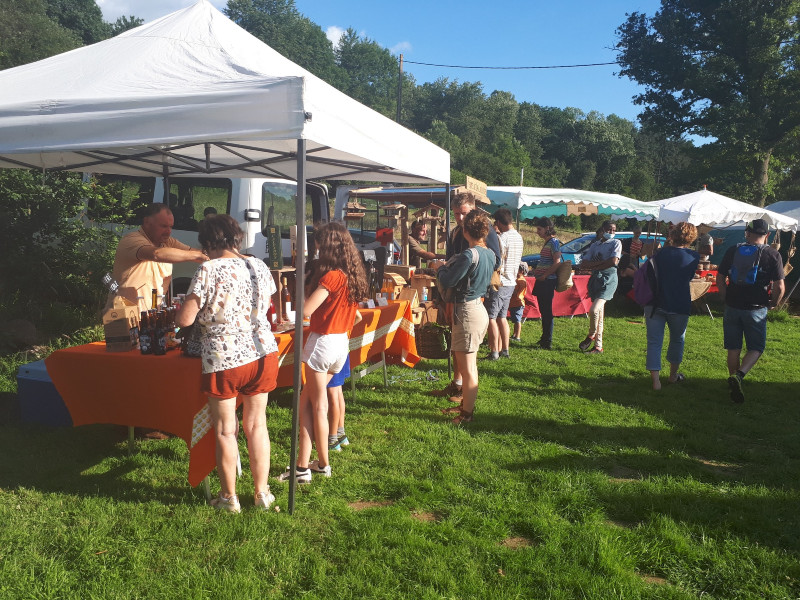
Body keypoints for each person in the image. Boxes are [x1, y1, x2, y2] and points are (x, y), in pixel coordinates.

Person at [175, 215, 280, 513]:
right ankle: (262, 494)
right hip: (262, 353)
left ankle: (228, 497)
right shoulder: (257, 264)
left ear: (207, 242)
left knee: (225, 430)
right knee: (257, 425)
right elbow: (267, 305)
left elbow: (185, 319)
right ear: (236, 237)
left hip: (223, 358)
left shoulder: (207, 270)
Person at [278, 222, 367, 483]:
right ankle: (304, 465)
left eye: (318, 244)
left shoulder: (331, 277)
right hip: (340, 345)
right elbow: (358, 316)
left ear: (326, 246)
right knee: (306, 403)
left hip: (322, 344)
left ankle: (321, 465)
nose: (316, 248)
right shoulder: (352, 275)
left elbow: (305, 311)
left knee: (316, 406)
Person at [428, 192, 501, 402]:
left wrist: (463, 268)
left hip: (472, 295)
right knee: (457, 340)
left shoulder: (484, 231)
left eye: (464, 213)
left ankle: (464, 393)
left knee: (467, 346)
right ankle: (457, 384)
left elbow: (494, 261)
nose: (460, 218)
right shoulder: (454, 233)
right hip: (455, 295)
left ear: (473, 209)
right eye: (456, 214)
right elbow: (451, 257)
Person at [716, 219, 785, 403]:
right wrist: (773, 303)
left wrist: (724, 297)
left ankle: (733, 381)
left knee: (733, 347)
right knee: (756, 347)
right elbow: (780, 286)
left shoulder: (733, 250)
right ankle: (738, 376)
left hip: (732, 306)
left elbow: (720, 277)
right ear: (767, 235)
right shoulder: (772, 254)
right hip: (756, 308)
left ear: (747, 233)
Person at [108, 203, 206, 311]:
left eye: (171, 227)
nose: (168, 231)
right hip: (124, 312)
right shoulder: (132, 240)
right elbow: (156, 254)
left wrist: (219, 257)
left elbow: (193, 253)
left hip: (150, 312)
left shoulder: (168, 242)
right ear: (147, 222)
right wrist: (197, 255)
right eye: (163, 226)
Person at [644, 222, 700, 390]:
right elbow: (689, 277)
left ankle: (656, 382)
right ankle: (672, 375)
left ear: (672, 234)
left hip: (655, 302)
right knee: (677, 339)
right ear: (692, 237)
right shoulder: (693, 257)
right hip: (679, 303)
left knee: (654, 342)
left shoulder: (659, 254)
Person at [484, 208, 524, 360]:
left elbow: (497, 261)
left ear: (499, 222)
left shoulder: (502, 238)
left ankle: (494, 352)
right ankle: (505, 350)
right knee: (502, 317)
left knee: (491, 317)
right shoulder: (519, 237)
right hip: (512, 281)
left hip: (500, 282)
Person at [578, 221, 622, 354]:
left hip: (609, 280)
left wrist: (595, 265)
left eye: (614, 230)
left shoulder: (616, 243)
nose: (612, 232)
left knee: (594, 310)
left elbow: (614, 261)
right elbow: (584, 263)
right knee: (599, 315)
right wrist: (601, 264)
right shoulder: (595, 244)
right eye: (609, 230)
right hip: (596, 279)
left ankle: (591, 334)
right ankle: (598, 346)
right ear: (602, 229)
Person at [531, 217, 562, 350]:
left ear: (547, 229)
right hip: (542, 280)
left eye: (540, 229)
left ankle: (547, 340)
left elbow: (557, 262)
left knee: (547, 311)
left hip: (547, 281)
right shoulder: (548, 242)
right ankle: (544, 338)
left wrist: (544, 275)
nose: (537, 232)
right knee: (543, 310)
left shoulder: (554, 242)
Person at [327, 355, 351, 452]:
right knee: (338, 390)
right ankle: (340, 434)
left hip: (332, 353)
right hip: (342, 350)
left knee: (332, 393)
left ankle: (333, 440)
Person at [509, 262, 529, 343]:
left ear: (522, 271)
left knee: (517, 320)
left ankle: (517, 336)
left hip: (518, 303)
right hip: (514, 303)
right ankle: (514, 334)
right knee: (514, 320)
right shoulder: (516, 279)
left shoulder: (521, 281)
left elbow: (519, 293)